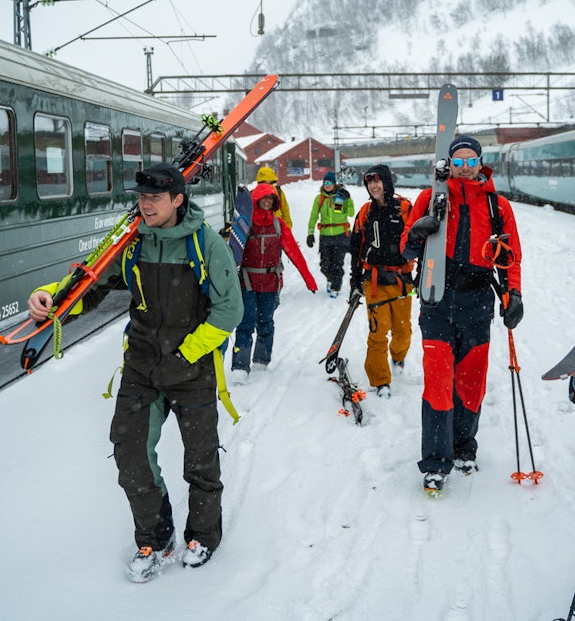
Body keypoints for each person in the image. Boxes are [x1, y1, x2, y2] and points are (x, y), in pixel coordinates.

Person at [26, 163, 243, 584]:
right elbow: (88, 281)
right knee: (129, 454)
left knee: (200, 459)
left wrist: (186, 355)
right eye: (141, 198)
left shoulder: (206, 244)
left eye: (154, 199)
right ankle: (155, 538)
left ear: (178, 200)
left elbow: (229, 310)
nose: (144, 206)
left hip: (191, 369)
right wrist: (51, 294)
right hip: (141, 367)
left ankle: (203, 536)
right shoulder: (130, 243)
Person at [401, 135, 524, 494]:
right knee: (438, 384)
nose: (466, 167)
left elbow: (511, 255)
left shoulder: (497, 206)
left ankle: (463, 447)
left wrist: (513, 293)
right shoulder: (429, 199)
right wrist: (415, 235)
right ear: (449, 163)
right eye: (460, 161)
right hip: (436, 300)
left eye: (472, 161)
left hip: (477, 302)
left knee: (471, 384)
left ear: (481, 163)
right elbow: (404, 251)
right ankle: (436, 463)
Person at [232, 182, 318, 374]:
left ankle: (261, 360)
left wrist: (309, 279)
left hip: (271, 282)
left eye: (271, 199)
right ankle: (240, 365)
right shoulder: (245, 224)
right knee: (245, 323)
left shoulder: (279, 225)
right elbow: (233, 252)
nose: (267, 202)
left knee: (265, 322)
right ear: (256, 200)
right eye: (264, 198)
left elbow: (294, 253)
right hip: (247, 281)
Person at [349, 164, 414, 398]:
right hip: (374, 281)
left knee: (402, 331)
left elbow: (422, 242)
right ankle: (380, 381)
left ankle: (398, 357)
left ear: (386, 182)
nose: (374, 186)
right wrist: (354, 281)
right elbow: (356, 248)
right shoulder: (365, 212)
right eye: (369, 182)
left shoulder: (405, 208)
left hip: (402, 281)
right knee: (378, 333)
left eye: (377, 181)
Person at [307, 171, 355, 298]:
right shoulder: (320, 199)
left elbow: (350, 213)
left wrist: (348, 199)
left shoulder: (340, 197)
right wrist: (310, 233)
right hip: (326, 236)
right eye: (325, 183)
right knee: (325, 265)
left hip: (341, 235)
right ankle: (331, 278)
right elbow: (313, 216)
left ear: (334, 184)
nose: (327, 185)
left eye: (330, 183)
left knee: (337, 263)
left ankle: (335, 287)